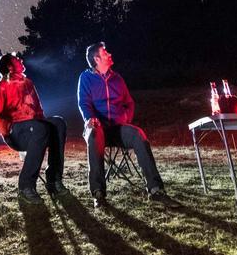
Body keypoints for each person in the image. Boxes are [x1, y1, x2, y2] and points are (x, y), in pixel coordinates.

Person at [77, 42, 181, 210]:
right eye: (105, 52)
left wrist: (125, 118)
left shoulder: (117, 78)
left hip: (119, 128)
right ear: (97, 58)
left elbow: (129, 103)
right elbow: (84, 103)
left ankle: (155, 190)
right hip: (98, 127)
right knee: (94, 135)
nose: (109, 54)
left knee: (138, 134)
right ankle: (98, 194)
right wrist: (90, 119)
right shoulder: (85, 78)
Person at [0, 53, 68, 204]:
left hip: (36, 127)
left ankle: (54, 180)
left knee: (58, 123)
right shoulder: (1, 88)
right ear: (10, 67)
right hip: (16, 132)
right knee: (39, 128)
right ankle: (26, 186)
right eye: (17, 60)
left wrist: (45, 126)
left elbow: (38, 110)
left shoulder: (28, 83)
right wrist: (9, 129)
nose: (21, 60)